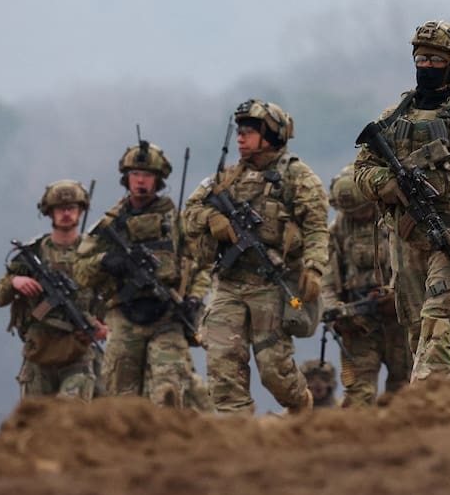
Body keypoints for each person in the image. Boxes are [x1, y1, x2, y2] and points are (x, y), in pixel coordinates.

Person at [354, 20, 450, 382]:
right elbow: (362, 170)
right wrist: (388, 184)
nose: (425, 65)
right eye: (421, 57)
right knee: (418, 338)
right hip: (407, 241)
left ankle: (426, 413)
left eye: (435, 59)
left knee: (438, 331)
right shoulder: (397, 115)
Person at [182, 99, 329, 415]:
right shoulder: (225, 179)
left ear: (271, 135)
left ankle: (301, 407)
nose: (240, 138)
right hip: (229, 284)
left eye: (249, 132)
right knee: (222, 364)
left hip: (271, 286)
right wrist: (212, 220)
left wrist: (315, 269)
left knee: (274, 369)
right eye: (239, 131)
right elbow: (190, 212)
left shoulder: (298, 178)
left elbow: (317, 228)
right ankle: (237, 438)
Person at [74, 139, 202, 407]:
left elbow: (202, 265)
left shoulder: (176, 221)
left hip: (167, 316)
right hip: (124, 316)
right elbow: (81, 270)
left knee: (170, 387)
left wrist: (196, 298)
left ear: (158, 180)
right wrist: (107, 261)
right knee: (120, 399)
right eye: (135, 175)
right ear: (126, 179)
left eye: (147, 175)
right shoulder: (110, 224)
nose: (140, 181)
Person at [0, 180, 106, 400]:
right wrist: (15, 282)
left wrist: (105, 328)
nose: (66, 213)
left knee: (71, 416)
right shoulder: (33, 254)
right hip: (39, 353)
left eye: (71, 208)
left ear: (81, 211)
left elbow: (114, 296)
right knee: (35, 423)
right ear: (49, 213)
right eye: (60, 209)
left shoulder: (95, 255)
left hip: (78, 352)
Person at [320, 164, 411, 407]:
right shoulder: (336, 232)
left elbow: (413, 266)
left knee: (404, 392)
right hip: (357, 326)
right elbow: (326, 280)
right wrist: (335, 314)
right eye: (351, 213)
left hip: (398, 323)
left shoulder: (397, 221)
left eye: (361, 211)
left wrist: (397, 298)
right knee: (358, 395)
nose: (358, 217)